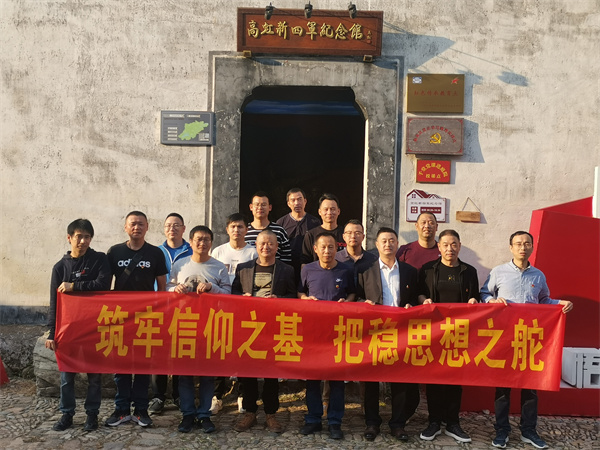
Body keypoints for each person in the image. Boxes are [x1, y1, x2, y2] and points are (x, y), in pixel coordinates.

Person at [481, 231, 573, 450]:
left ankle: (528, 430)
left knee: (531, 387)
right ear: (511, 247)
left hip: (529, 339)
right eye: (518, 244)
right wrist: (493, 300)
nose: (522, 247)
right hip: (504, 338)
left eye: (526, 244)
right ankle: (502, 430)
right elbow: (484, 294)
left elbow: (544, 301)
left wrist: (561, 303)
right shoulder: (498, 272)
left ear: (532, 247)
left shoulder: (538, 276)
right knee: (503, 388)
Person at [46, 219, 111, 432]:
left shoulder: (99, 260)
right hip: (69, 331)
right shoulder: (60, 267)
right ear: (69, 238)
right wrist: (52, 333)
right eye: (78, 236)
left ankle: (92, 415)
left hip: (94, 328)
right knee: (67, 377)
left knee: (94, 376)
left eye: (87, 237)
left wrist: (74, 286)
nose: (82, 241)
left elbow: (103, 285)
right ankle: (67, 414)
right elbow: (54, 302)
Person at [106, 211, 168, 428]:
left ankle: (141, 410)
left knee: (142, 364)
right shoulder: (114, 252)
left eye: (141, 224)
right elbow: (106, 285)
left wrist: (159, 313)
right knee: (121, 365)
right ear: (125, 227)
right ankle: (121, 409)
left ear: (147, 227)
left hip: (146, 317)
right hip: (120, 317)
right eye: (132, 224)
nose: (137, 227)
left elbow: (162, 286)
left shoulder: (155, 253)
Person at [231, 230, 296, 434]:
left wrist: (279, 300)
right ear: (256, 246)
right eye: (262, 244)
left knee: (271, 372)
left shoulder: (286, 270)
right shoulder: (243, 268)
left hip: (273, 328)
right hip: (249, 327)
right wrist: (242, 297)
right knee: (248, 371)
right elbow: (233, 293)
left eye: (270, 244)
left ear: (277, 247)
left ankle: (271, 413)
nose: (266, 247)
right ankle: (249, 412)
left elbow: (293, 296)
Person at [417, 229, 479, 443]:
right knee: (434, 378)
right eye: (445, 244)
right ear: (439, 247)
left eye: (453, 244)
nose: (449, 248)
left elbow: (476, 296)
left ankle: (453, 422)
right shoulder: (428, 269)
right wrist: (424, 300)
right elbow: (419, 293)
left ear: (459, 246)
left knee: (455, 378)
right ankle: (434, 421)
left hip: (459, 332)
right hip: (434, 332)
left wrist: (474, 301)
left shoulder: (468, 271)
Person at [356, 227, 418, 442]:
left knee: (399, 380)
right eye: (383, 241)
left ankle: (398, 424)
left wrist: (413, 304)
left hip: (401, 332)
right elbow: (356, 296)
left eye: (392, 240)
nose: (388, 244)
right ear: (376, 244)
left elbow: (416, 296)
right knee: (371, 380)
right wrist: (363, 303)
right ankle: (372, 423)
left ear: (397, 244)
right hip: (374, 332)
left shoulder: (409, 271)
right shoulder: (365, 269)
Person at [168, 225, 231, 434]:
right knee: (185, 373)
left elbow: (229, 295)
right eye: (198, 239)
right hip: (184, 324)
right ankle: (187, 414)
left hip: (210, 325)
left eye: (206, 240)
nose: (202, 243)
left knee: (207, 374)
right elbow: (167, 288)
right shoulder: (180, 264)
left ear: (211, 243)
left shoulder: (219, 267)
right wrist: (174, 289)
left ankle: (204, 414)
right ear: (191, 241)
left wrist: (213, 288)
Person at [298, 232, 355, 440]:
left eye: (331, 247)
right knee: (313, 379)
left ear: (337, 249)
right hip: (313, 332)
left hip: (338, 332)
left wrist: (347, 302)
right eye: (322, 247)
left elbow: (353, 293)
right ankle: (313, 419)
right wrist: (305, 298)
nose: (327, 251)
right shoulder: (307, 269)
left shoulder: (346, 270)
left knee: (336, 380)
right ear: (315, 249)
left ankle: (334, 421)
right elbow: (299, 293)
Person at [395, 212, 440, 424]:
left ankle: (436, 416)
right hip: (408, 317)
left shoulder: (443, 249)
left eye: (431, 222)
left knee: (435, 366)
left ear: (437, 227)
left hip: (437, 319)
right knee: (408, 363)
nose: (427, 226)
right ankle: (406, 409)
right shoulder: (405, 251)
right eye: (423, 222)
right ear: (416, 226)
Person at [210, 213, 257, 414]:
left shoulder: (253, 252)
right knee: (219, 351)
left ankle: (242, 394)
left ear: (247, 229)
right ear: (227, 229)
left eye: (240, 226)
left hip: (245, 310)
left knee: (243, 351)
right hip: (220, 309)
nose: (236, 230)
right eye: (233, 226)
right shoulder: (218, 251)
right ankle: (217, 396)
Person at [149, 213, 193, 414]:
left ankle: (178, 394)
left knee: (179, 352)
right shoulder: (155, 252)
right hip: (159, 308)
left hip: (184, 310)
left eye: (176, 225)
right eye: (168, 225)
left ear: (183, 228)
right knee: (158, 352)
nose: (172, 229)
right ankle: (158, 396)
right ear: (163, 229)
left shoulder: (192, 250)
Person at [275, 188, 321, 280]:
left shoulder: (315, 222)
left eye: (299, 199)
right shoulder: (281, 223)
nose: (297, 203)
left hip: (309, 267)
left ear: (305, 201)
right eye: (293, 200)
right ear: (288, 203)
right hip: (286, 268)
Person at [245, 191, 292, 264]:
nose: (260, 208)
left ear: (270, 207)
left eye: (263, 205)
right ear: (251, 207)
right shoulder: (244, 231)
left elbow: (286, 259)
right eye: (257, 205)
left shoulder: (279, 231)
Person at [301, 193, 346, 264]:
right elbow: (305, 262)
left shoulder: (346, 234)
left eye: (332, 209)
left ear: (338, 211)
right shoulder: (311, 235)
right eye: (326, 209)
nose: (329, 212)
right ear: (319, 212)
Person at [335, 219, 378, 284]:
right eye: (349, 233)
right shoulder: (336, 259)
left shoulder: (373, 260)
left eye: (357, 233)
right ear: (344, 237)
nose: (353, 236)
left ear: (363, 237)